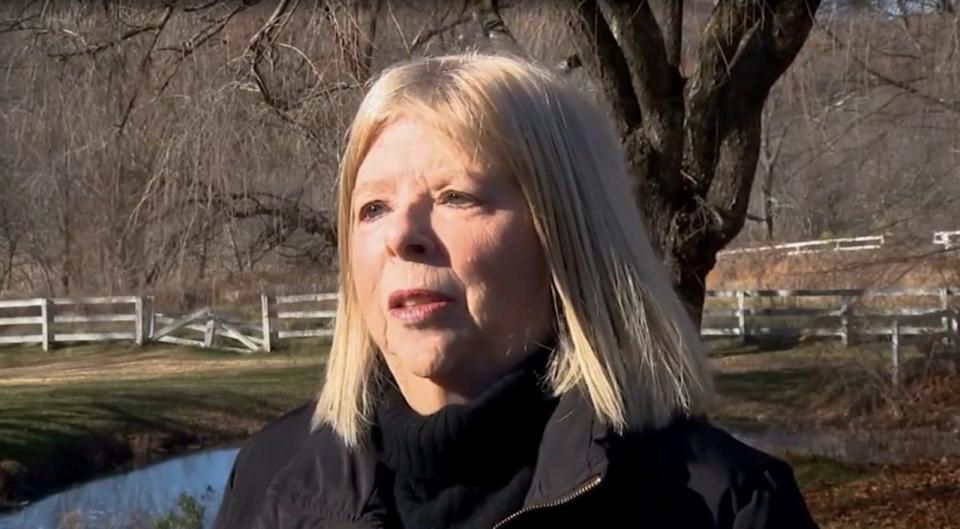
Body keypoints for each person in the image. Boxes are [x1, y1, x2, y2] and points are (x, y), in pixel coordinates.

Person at [212, 53, 819, 529]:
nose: (401, 234)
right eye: (372, 207)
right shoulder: (273, 477)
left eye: (456, 196)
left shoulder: (723, 506)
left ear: (569, 237)